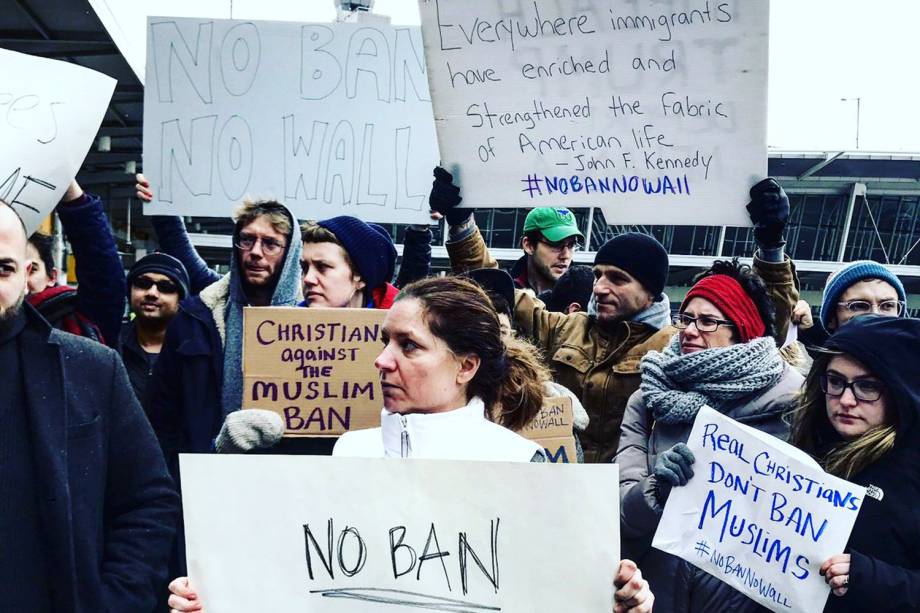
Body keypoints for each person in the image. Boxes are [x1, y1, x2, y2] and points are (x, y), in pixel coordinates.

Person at [166, 275, 655, 613]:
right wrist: (219, 593)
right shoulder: (348, 453)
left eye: (409, 345)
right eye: (385, 341)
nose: (382, 360)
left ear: (466, 367)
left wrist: (616, 600)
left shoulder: (520, 466)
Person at [442, 177, 801, 462]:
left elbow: (762, 318)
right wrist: (461, 225)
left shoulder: (674, 346)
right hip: (561, 491)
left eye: (617, 278)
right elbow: (492, 289)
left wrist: (771, 247)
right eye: (598, 274)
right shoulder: (566, 328)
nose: (599, 287)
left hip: (631, 505)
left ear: (649, 291)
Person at [0, 200, 179, 611]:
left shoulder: (90, 369)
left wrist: (113, 600)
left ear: (28, 276)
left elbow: (148, 500)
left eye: (2, 268)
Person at [616, 258, 804, 612]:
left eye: (707, 321)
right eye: (686, 318)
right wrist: (658, 488)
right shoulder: (648, 399)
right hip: (653, 594)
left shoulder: (794, 406)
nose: (688, 330)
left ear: (743, 329)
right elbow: (624, 513)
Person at [146, 199, 303, 476]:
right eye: (246, 240)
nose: (256, 252)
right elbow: (162, 418)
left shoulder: (316, 325)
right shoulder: (194, 319)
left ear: (289, 253)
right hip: (203, 478)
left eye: (270, 243)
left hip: (288, 482)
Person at [788, 316, 920, 612]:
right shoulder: (800, 451)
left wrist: (869, 577)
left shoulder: (912, 476)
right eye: (835, 381)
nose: (846, 400)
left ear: (900, 390)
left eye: (867, 386)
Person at [430, 167, 584, 294]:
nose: (566, 255)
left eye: (571, 245)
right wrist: (460, 219)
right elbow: (484, 278)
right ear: (528, 245)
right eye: (556, 244)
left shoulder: (587, 298)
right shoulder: (506, 292)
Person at [25, 179, 125, 345]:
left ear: (52, 276)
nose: (21, 280)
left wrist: (67, 185)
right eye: (6, 269)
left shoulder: (79, 320)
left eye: (32, 269)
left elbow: (103, 272)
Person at [118, 252, 190, 413]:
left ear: (180, 300)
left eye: (165, 287)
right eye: (143, 283)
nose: (151, 293)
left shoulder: (193, 353)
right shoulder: (111, 344)